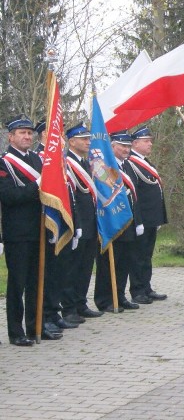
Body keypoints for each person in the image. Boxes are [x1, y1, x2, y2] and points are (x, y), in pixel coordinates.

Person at [0, 115, 51, 345]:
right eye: (22, 133)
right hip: (17, 233)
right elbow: (9, 196)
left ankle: (35, 326)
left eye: (30, 133)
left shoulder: (38, 160)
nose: (27, 136)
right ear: (11, 137)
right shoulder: (4, 163)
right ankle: (15, 331)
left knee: (36, 282)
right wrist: (36, 187)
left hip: (39, 230)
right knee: (17, 284)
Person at [60, 122, 104, 320]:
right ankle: (68, 308)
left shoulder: (89, 163)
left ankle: (80, 303)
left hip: (92, 222)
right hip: (77, 222)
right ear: (71, 141)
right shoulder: (66, 163)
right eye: (84, 139)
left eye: (89, 138)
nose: (88, 142)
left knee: (86, 266)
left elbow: (109, 181)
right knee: (72, 268)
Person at [93, 131, 141, 312]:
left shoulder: (127, 166)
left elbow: (135, 197)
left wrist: (139, 221)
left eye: (129, 146)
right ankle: (105, 299)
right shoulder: (104, 168)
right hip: (111, 221)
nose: (126, 149)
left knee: (124, 263)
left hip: (126, 221)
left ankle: (119, 295)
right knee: (107, 264)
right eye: (123, 146)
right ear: (112, 146)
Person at [127, 126, 168, 303]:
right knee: (138, 256)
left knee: (147, 255)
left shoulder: (145, 162)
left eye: (150, 140)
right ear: (135, 143)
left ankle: (146, 286)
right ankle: (137, 291)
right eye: (146, 141)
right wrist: (139, 220)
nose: (150, 143)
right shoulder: (131, 163)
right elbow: (136, 194)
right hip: (141, 218)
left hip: (151, 218)